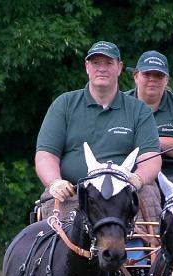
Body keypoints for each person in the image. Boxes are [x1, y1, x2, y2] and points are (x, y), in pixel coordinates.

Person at [35, 41, 162, 220]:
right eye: (96, 63)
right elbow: (46, 155)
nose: (102, 68)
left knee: (147, 210)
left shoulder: (139, 111)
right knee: (61, 238)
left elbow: (151, 159)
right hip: (74, 194)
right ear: (87, 67)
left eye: (108, 63)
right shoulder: (64, 104)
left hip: (127, 194)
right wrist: (55, 182)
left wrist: (138, 179)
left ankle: (138, 247)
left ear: (119, 68)